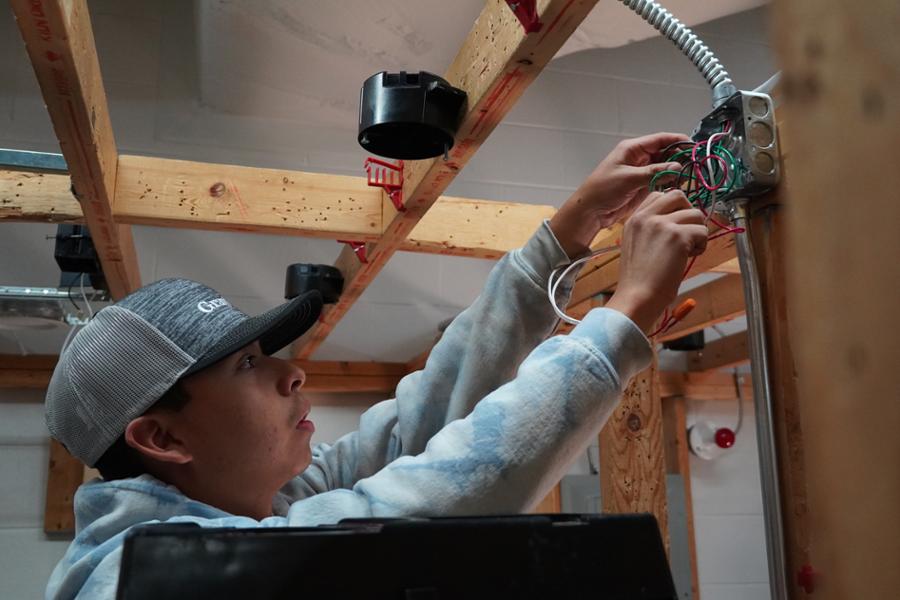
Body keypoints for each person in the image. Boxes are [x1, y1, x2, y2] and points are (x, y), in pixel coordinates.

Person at [44, 132, 707, 599]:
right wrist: (621, 319)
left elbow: (418, 427)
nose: (292, 373)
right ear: (163, 438)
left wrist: (565, 235)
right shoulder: (140, 579)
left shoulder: (247, 504)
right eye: (247, 365)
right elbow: (432, 503)